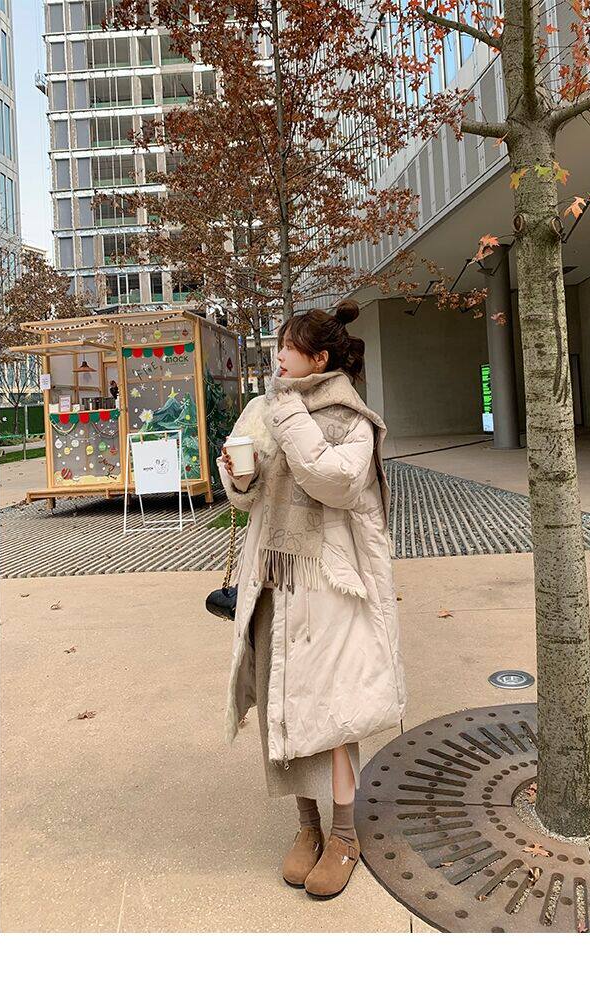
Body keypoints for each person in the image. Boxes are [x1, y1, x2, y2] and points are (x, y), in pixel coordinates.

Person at [217, 299, 406, 900]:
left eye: (288, 348)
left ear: (319, 359)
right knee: (284, 705)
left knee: (333, 710)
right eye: (278, 346)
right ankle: (308, 826)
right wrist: (238, 478)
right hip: (273, 579)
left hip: (330, 586)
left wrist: (289, 414)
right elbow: (244, 496)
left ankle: (345, 835)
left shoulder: (351, 419)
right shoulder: (263, 407)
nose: (278, 357)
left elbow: (337, 482)